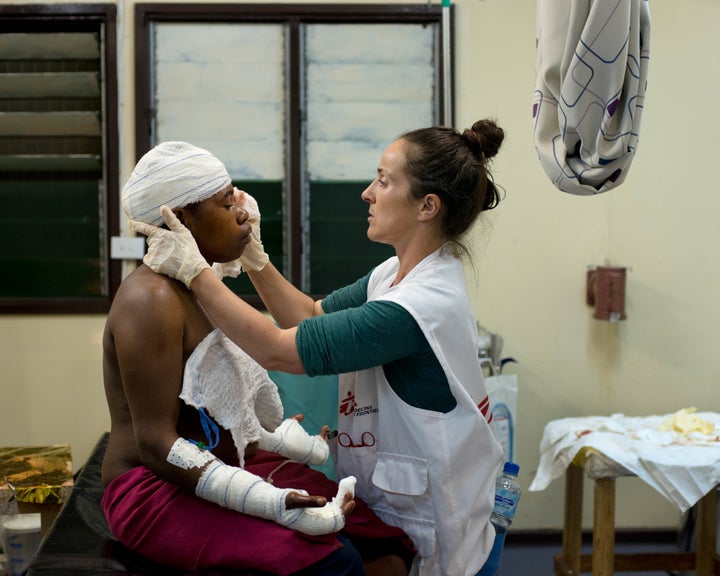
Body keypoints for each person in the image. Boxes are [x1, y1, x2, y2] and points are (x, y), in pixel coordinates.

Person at [132, 120, 507, 576]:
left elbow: (276, 349)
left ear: (427, 206)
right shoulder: (392, 275)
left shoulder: (419, 305)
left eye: (384, 181)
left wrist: (197, 274)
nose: (367, 193)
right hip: (402, 496)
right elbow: (310, 316)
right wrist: (257, 262)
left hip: (438, 526)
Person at [103, 141, 415, 576]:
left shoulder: (199, 285)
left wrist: (285, 445)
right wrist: (268, 500)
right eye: (227, 202)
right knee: (333, 559)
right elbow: (157, 445)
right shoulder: (150, 299)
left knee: (377, 537)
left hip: (216, 462)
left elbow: (296, 326)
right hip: (152, 487)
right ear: (182, 219)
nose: (243, 214)